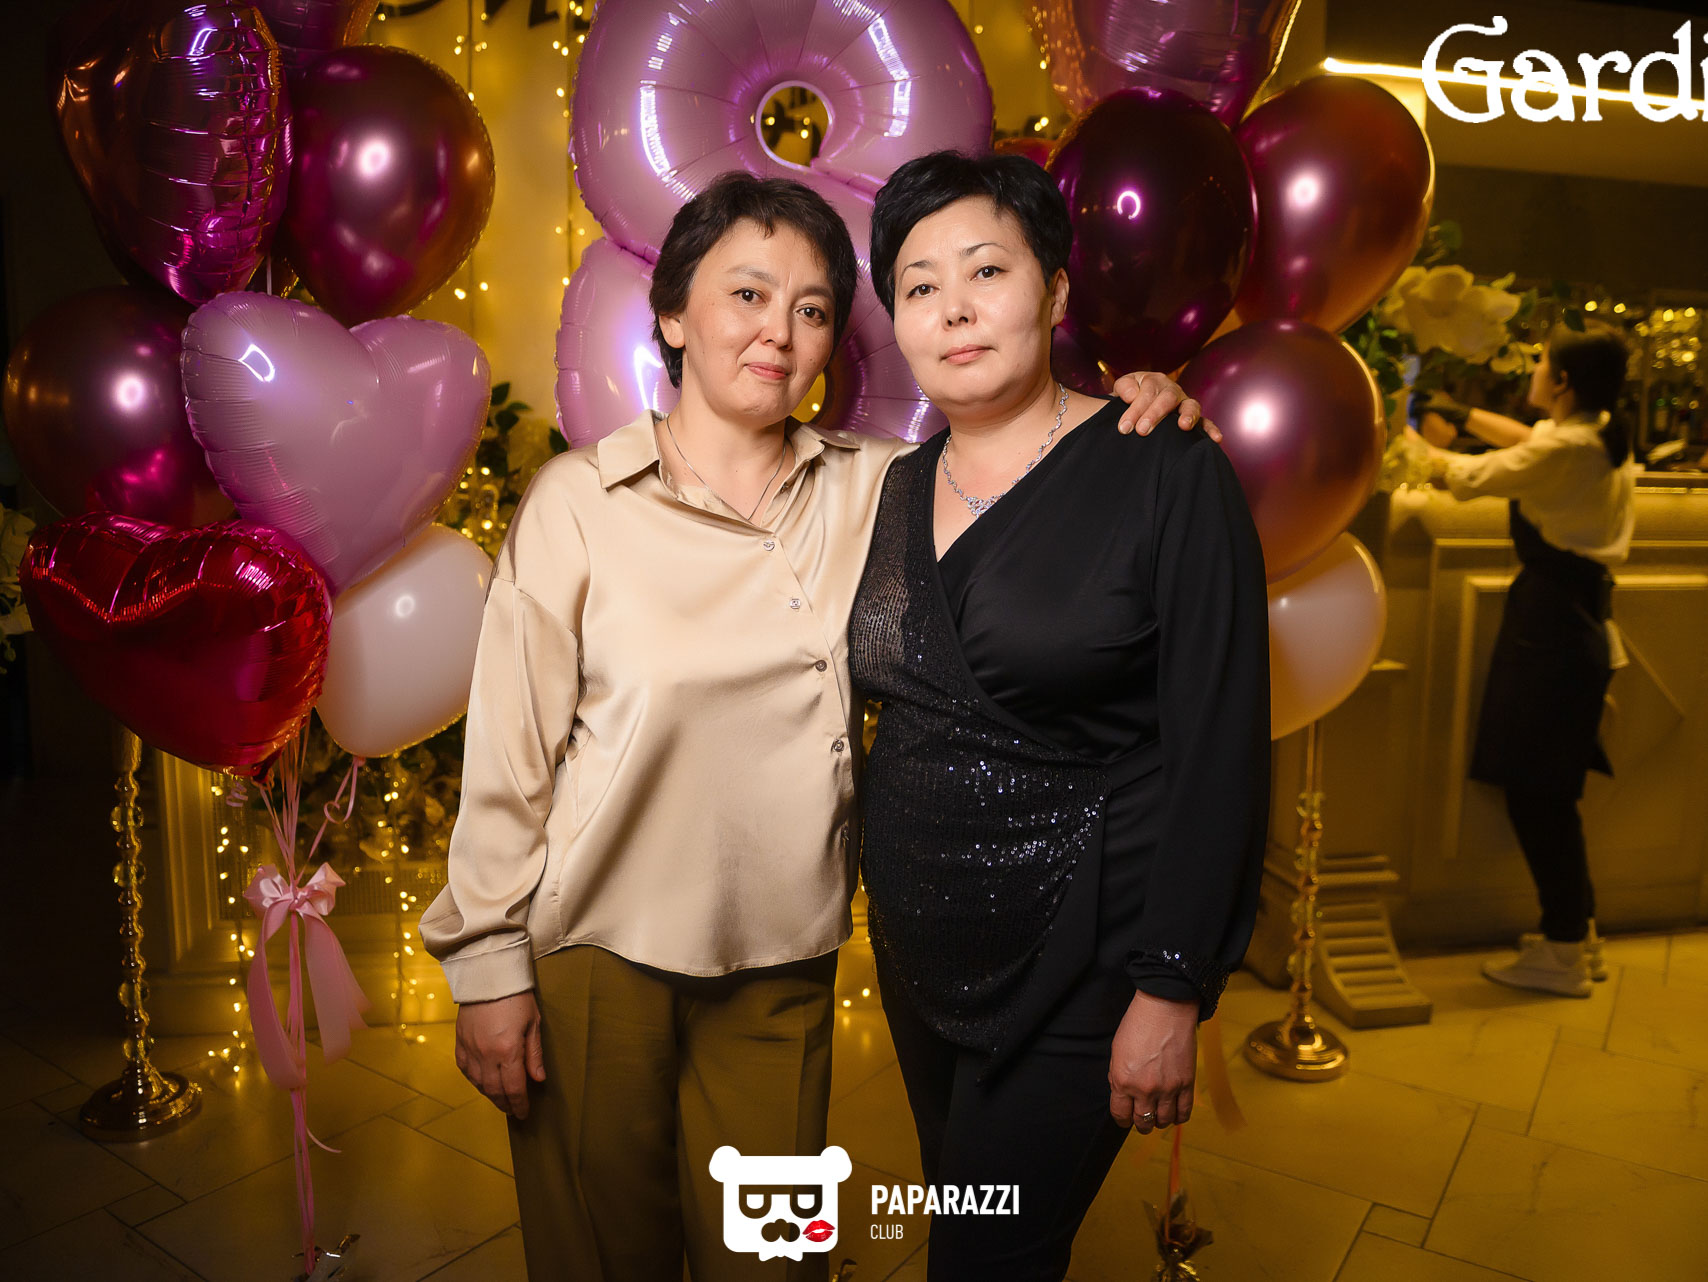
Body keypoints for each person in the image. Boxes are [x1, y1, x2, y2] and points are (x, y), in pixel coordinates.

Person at [417, 170, 1203, 1282]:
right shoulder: (579, 503)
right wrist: (489, 965)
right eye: (746, 295)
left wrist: (1138, 407)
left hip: (782, 957)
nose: (778, 334)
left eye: (813, 308)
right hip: (596, 946)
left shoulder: (884, 488)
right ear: (673, 314)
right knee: (602, 1257)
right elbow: (510, 752)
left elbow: (1029, 461)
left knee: (773, 1263)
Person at [848, 150, 1272, 1281]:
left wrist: (1173, 984)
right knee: (966, 1219)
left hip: (1087, 961)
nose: (954, 308)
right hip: (923, 956)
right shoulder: (893, 487)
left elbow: (1221, 748)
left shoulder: (1163, 468)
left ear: (1056, 290)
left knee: (984, 1259)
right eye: (920, 285)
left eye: (987, 270)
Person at [1412, 327, 1639, 997]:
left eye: (1542, 363)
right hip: (1576, 620)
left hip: (1552, 628)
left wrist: (1398, 434)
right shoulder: (1597, 434)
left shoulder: (1566, 449)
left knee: (1537, 792)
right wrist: (1460, 412)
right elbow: (1528, 439)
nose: (1536, 371)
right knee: (1552, 790)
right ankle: (1579, 934)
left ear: (1561, 382)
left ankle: (1564, 950)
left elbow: (1463, 477)